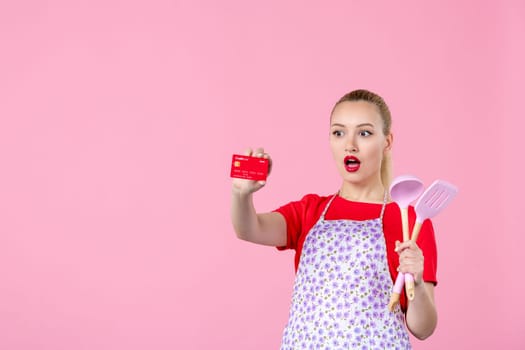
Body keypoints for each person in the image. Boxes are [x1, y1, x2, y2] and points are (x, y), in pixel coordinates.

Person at [230, 89, 438, 349]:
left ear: (387, 141)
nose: (350, 144)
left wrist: (416, 281)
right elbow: (250, 228)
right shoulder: (310, 211)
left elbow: (424, 328)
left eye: (364, 133)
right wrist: (241, 194)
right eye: (339, 132)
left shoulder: (410, 221)